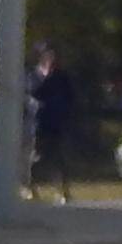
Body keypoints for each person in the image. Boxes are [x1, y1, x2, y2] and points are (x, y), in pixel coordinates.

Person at [26, 46, 77, 202]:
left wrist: (66, 112)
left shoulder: (61, 75)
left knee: (60, 156)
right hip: (40, 120)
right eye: (46, 55)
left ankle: (63, 191)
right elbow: (32, 93)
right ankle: (31, 189)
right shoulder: (34, 75)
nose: (49, 58)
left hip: (57, 120)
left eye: (52, 55)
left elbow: (70, 95)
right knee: (36, 156)